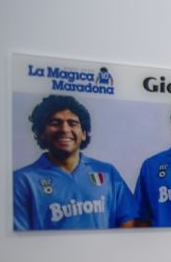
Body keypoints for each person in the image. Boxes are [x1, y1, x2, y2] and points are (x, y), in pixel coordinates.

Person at [13, 94, 139, 230]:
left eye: (72, 123)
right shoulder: (22, 181)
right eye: (55, 123)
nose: (65, 129)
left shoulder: (107, 172)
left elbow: (130, 221)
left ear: (83, 133)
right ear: (42, 133)